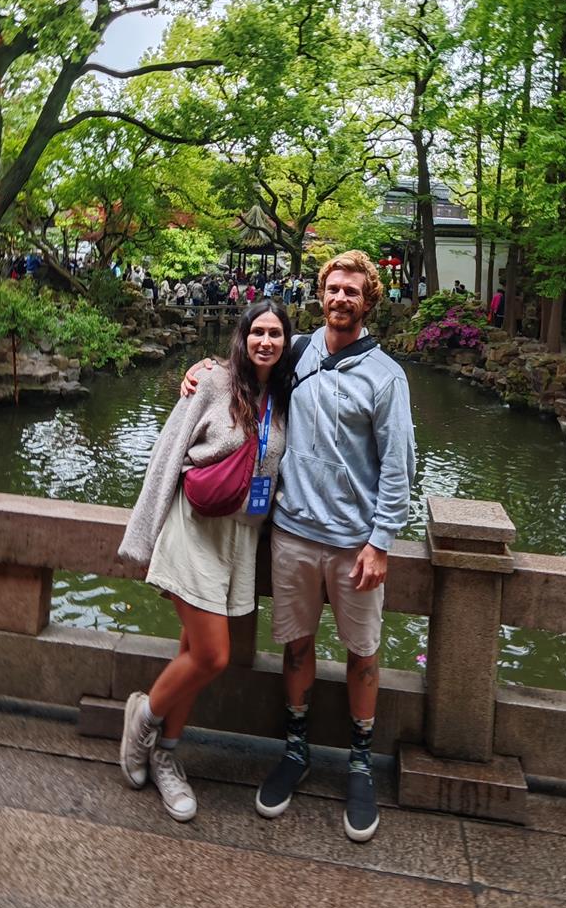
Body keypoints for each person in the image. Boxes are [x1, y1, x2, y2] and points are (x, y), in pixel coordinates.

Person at [182, 250, 415, 843]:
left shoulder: (388, 377)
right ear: (321, 294)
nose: (340, 299)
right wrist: (201, 368)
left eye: (352, 292)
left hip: (353, 544)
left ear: (369, 301)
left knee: (363, 652)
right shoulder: (300, 351)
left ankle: (359, 762)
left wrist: (381, 542)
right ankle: (296, 747)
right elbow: (248, 356)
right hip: (292, 533)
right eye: (332, 289)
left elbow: (397, 467)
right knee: (297, 646)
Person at [118, 302, 291, 822]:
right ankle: (142, 722)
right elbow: (167, 452)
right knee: (214, 656)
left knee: (192, 654)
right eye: (257, 331)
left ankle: (167, 759)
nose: (265, 340)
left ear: (286, 342)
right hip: (194, 532)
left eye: (276, 333)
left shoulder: (284, 395)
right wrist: (141, 533)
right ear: (243, 336)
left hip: (239, 539)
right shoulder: (213, 381)